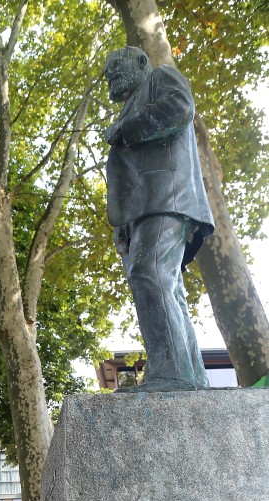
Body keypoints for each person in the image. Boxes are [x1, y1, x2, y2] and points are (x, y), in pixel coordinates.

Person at [104, 46, 214, 392]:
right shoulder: (132, 102)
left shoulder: (160, 79)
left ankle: (171, 374)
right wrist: (123, 223)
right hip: (144, 209)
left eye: (116, 69)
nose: (111, 76)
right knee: (169, 287)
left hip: (168, 197)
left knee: (148, 272)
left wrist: (125, 129)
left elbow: (179, 109)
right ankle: (191, 374)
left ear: (139, 63)